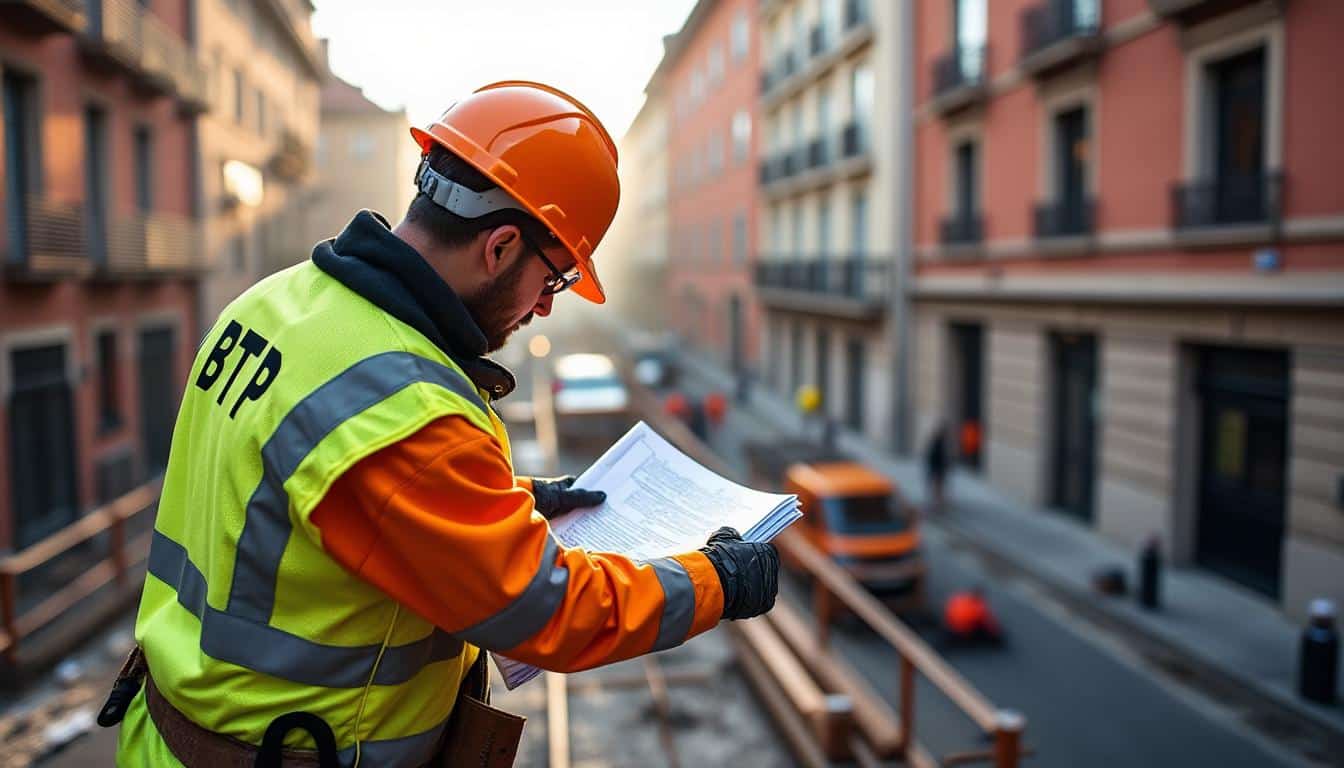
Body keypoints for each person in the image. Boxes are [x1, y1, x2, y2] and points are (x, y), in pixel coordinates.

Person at [107, 82, 779, 767]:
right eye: (553, 279)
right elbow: (545, 611)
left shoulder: (272, 303)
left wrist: (514, 499)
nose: (544, 308)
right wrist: (715, 580)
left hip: (170, 738)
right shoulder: (405, 403)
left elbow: (316, 493)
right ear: (501, 247)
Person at [925, 423, 949, 514]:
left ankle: (937, 505)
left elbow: (932, 457)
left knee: (938, 488)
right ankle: (937, 505)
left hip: (937, 469)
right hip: (937, 469)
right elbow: (936, 457)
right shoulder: (938, 443)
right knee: (937, 488)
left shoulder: (937, 442)